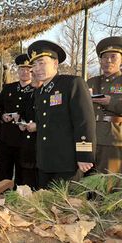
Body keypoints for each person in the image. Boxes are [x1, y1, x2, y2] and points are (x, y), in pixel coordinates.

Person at [24, 40, 96, 189]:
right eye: (34, 65)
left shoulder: (72, 84)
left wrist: (84, 155)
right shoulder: (40, 91)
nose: (37, 69)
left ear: (55, 63)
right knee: (45, 205)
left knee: (66, 206)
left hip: (67, 162)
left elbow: (84, 121)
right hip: (45, 161)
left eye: (42, 63)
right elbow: (47, 121)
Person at [0, 54, 37, 188]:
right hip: (7, 136)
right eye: (22, 69)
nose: (25, 72)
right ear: (17, 70)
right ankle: (1, 195)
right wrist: (2, 116)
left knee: (22, 171)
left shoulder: (36, 90)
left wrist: (22, 119)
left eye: (28, 69)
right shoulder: (8, 88)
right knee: (3, 170)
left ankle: (18, 199)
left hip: (24, 138)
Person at [87, 36, 122, 174]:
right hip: (90, 139)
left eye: (113, 56)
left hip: (113, 141)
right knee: (86, 184)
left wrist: (110, 102)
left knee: (109, 184)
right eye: (104, 57)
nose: (108, 60)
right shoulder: (91, 82)